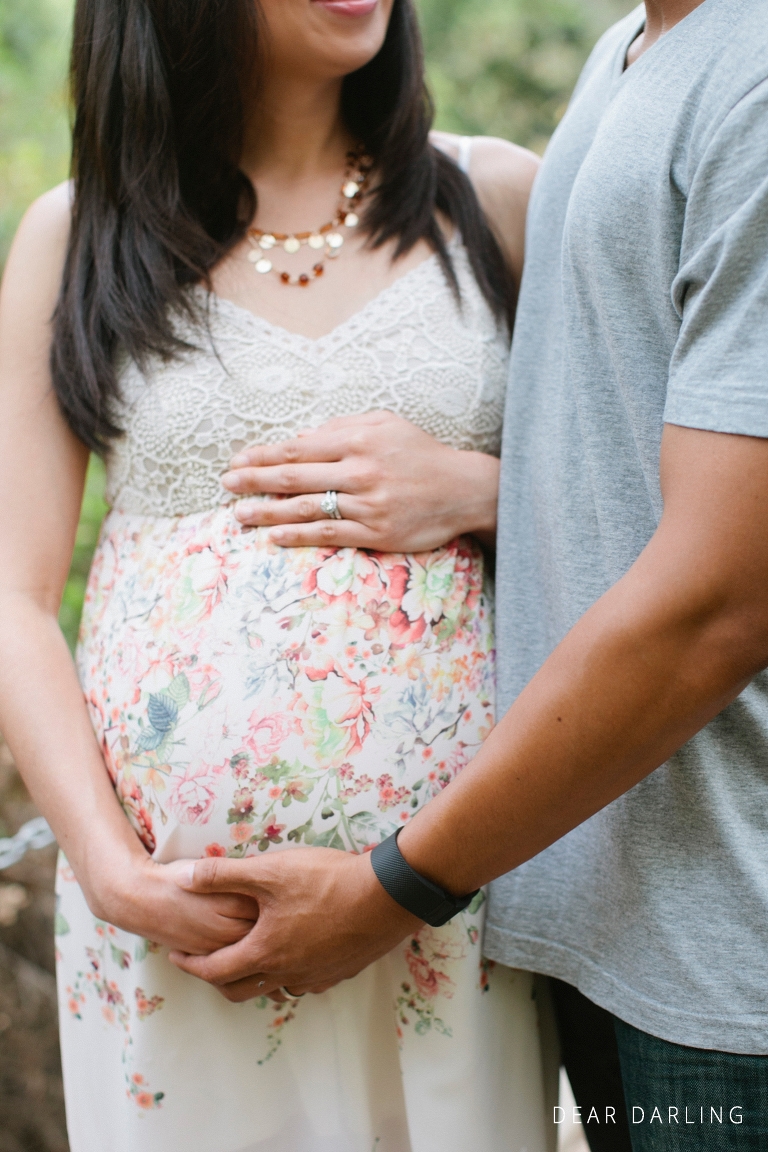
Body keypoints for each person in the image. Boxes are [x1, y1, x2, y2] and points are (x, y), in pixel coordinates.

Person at [172, 1, 768, 1148]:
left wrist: (395, 887)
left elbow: (722, 603)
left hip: (730, 967)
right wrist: (487, 489)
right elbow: (668, 470)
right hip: (604, 927)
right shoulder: (633, 52)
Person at [0, 1, 551, 1150]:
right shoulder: (75, 233)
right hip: (177, 934)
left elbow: (665, 513)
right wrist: (109, 871)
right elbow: (11, 594)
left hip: (447, 915)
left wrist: (481, 490)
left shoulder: (498, 198)